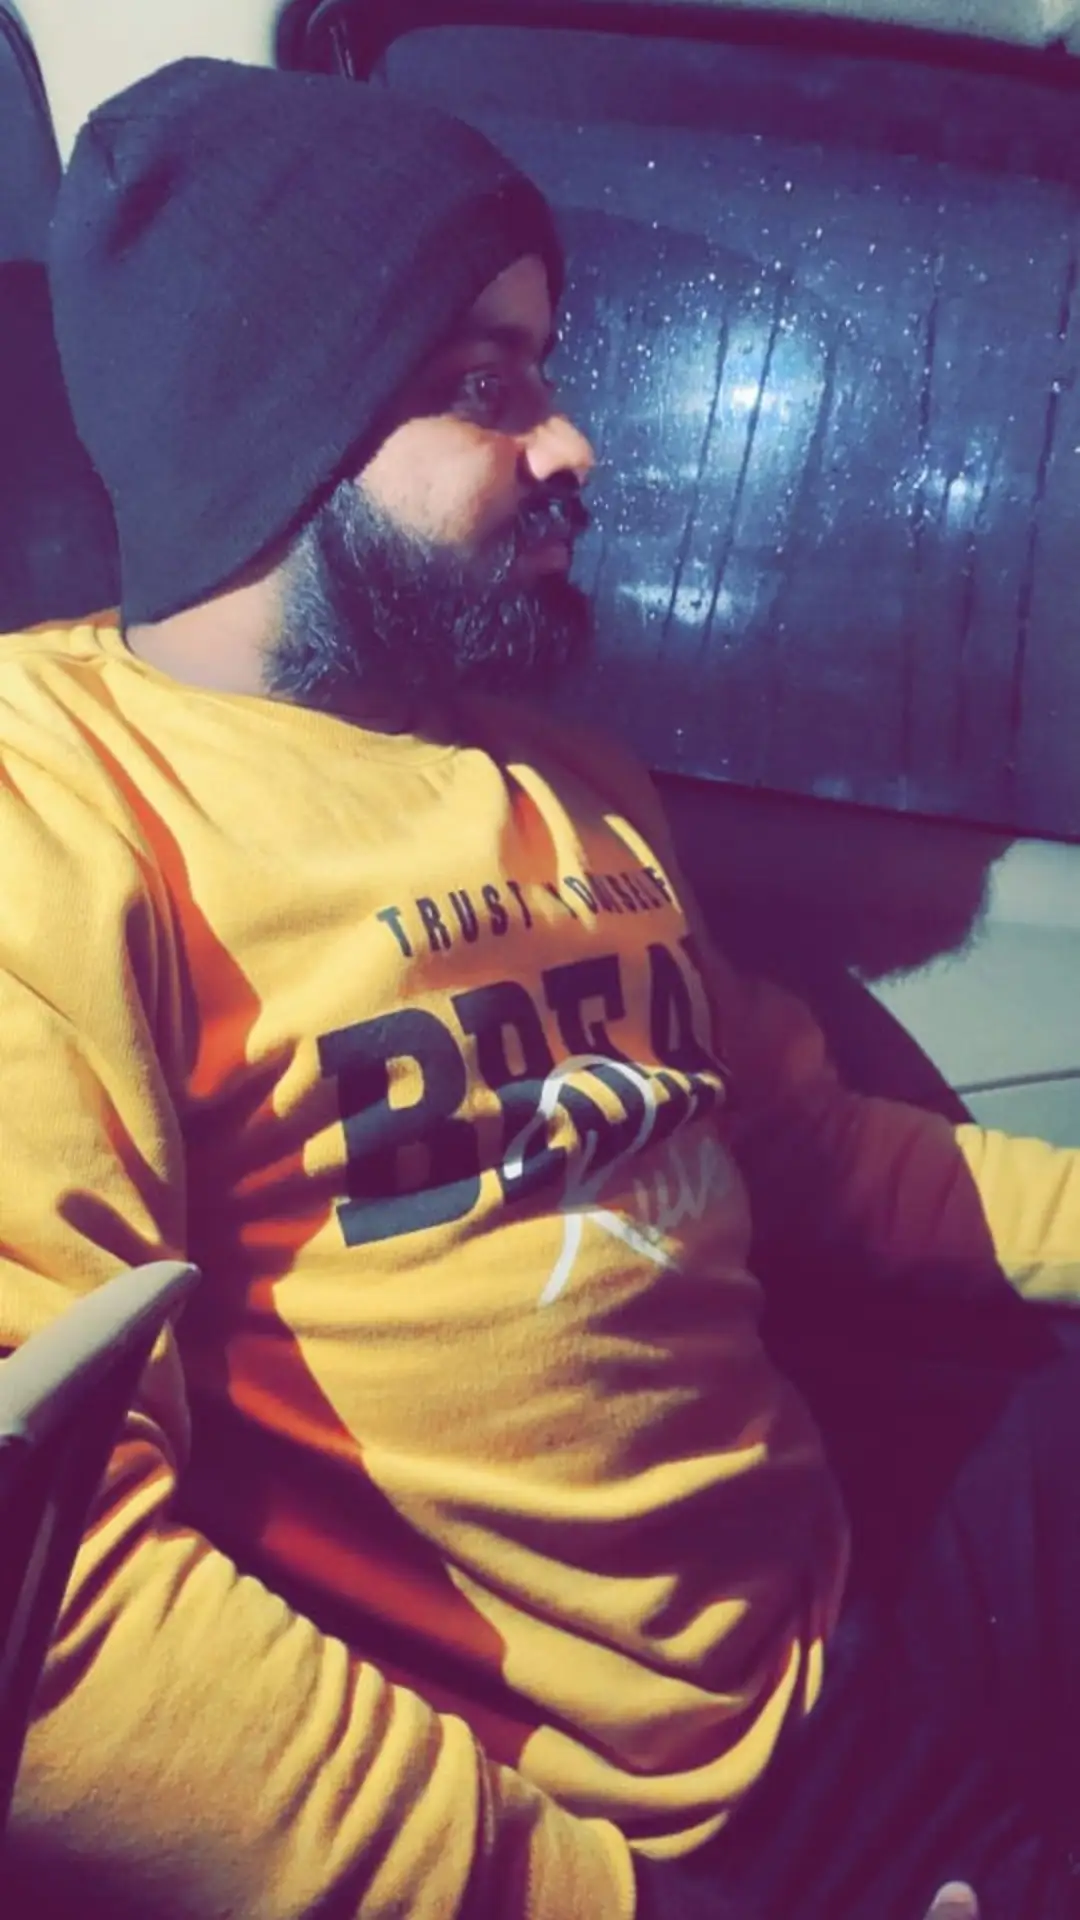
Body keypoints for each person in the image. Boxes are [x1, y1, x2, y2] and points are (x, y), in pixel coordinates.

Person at [1, 56, 1078, 1920]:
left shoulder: (562, 777)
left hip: (833, 1636)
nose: (576, 443)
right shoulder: (61, 817)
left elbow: (804, 1154)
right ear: (282, 418)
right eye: (487, 386)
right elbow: (57, 1588)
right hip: (592, 1827)